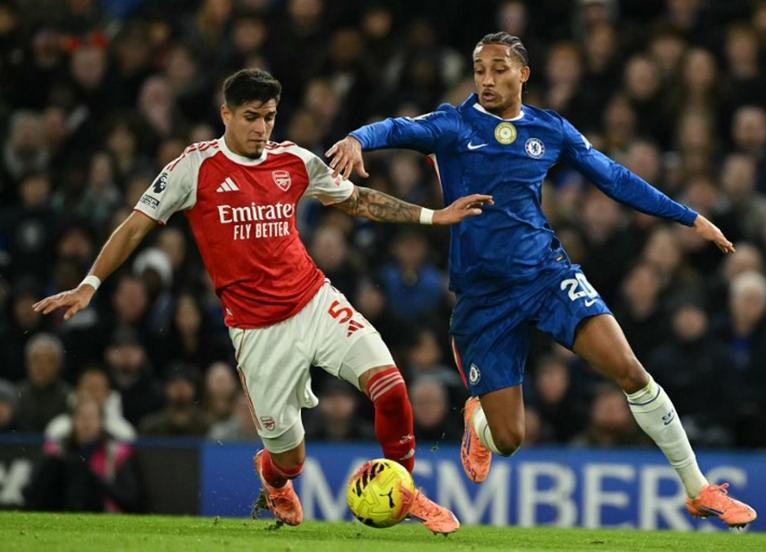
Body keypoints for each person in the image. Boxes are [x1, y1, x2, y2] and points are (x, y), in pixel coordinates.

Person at [33, 68, 492, 534]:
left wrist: (436, 216)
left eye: (269, 118)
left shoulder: (292, 160)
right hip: (257, 331)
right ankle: (273, 479)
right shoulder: (194, 168)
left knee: (390, 386)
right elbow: (135, 225)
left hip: (315, 302)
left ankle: (406, 492)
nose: (261, 129)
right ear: (225, 114)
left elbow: (355, 200)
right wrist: (89, 283)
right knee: (289, 460)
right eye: (251, 117)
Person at [327, 32, 756, 528]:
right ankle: (479, 419)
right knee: (508, 441)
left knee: (630, 372)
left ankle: (699, 490)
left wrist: (689, 218)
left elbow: (614, 178)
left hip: (548, 276)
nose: (487, 79)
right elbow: (395, 128)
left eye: (499, 69)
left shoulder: (550, 129)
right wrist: (358, 138)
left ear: (523, 74)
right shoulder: (453, 124)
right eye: (479, 69)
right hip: (484, 299)